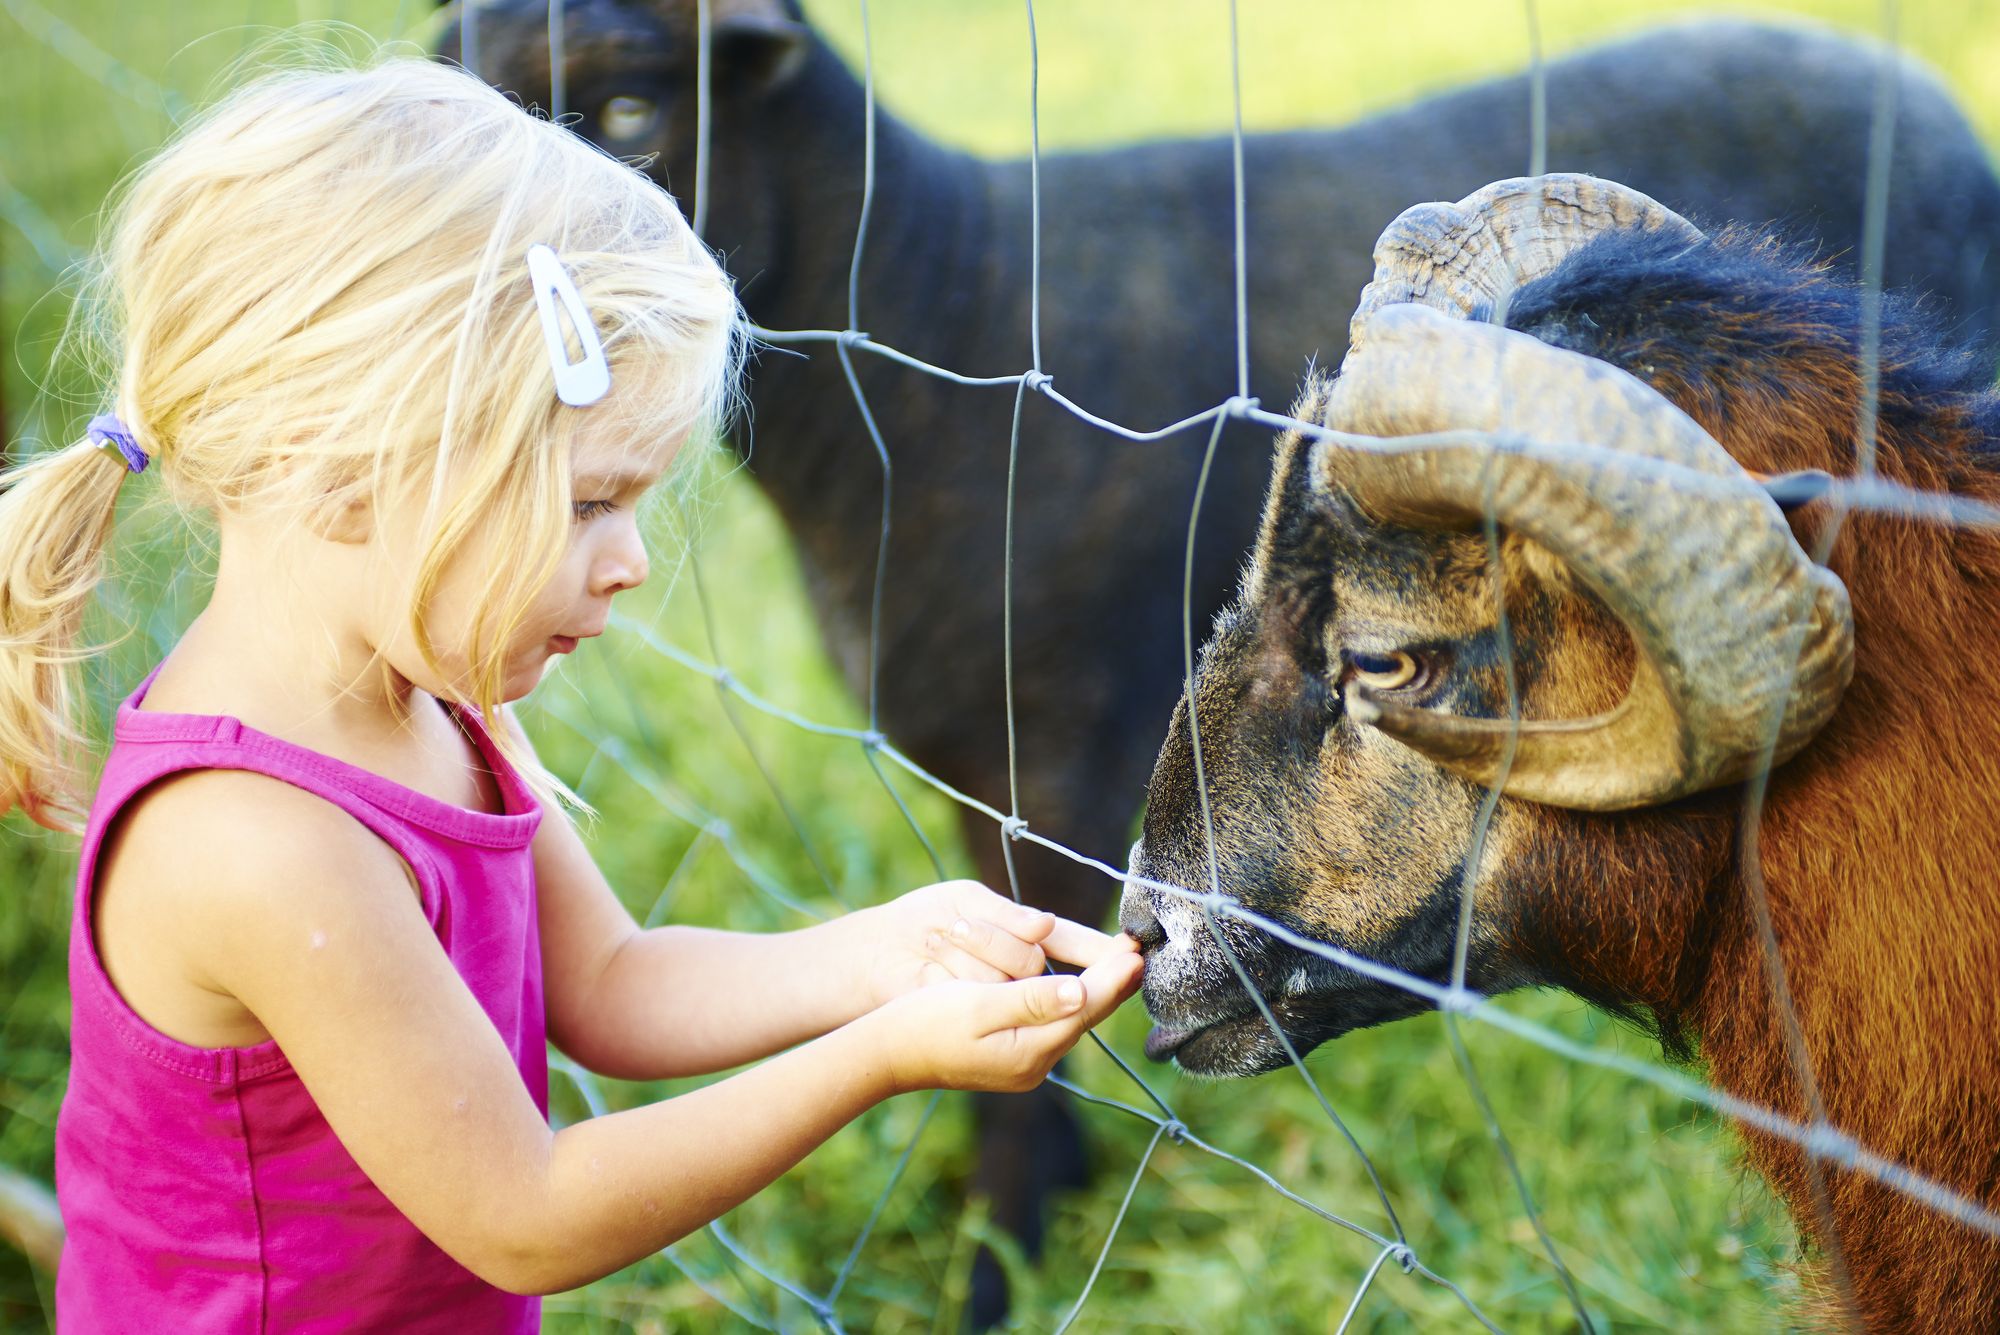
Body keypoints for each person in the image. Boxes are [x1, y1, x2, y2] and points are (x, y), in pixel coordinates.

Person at [0, 54, 1142, 1331]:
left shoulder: (427, 700)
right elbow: (525, 1217)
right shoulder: (259, 846)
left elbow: (610, 981)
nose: (632, 562)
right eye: (591, 502)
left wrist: (882, 956)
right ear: (335, 471)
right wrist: (874, 1060)